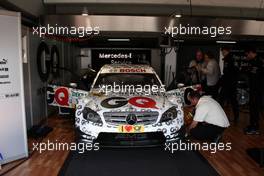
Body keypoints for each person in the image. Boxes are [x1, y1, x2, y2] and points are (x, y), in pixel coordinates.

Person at [243, 47, 263, 135]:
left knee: (255, 110)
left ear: (251, 52)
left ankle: (255, 128)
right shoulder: (253, 62)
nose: (246, 56)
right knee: (252, 109)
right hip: (253, 90)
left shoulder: (258, 62)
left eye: (247, 54)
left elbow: (254, 77)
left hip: (257, 91)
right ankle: (252, 125)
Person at [218, 46, 240, 123]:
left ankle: (219, 116)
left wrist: (223, 81)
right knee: (233, 101)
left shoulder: (229, 59)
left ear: (227, 51)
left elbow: (229, 73)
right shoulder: (231, 59)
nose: (223, 53)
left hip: (229, 85)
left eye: (223, 52)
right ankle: (236, 117)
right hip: (231, 84)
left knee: (222, 100)